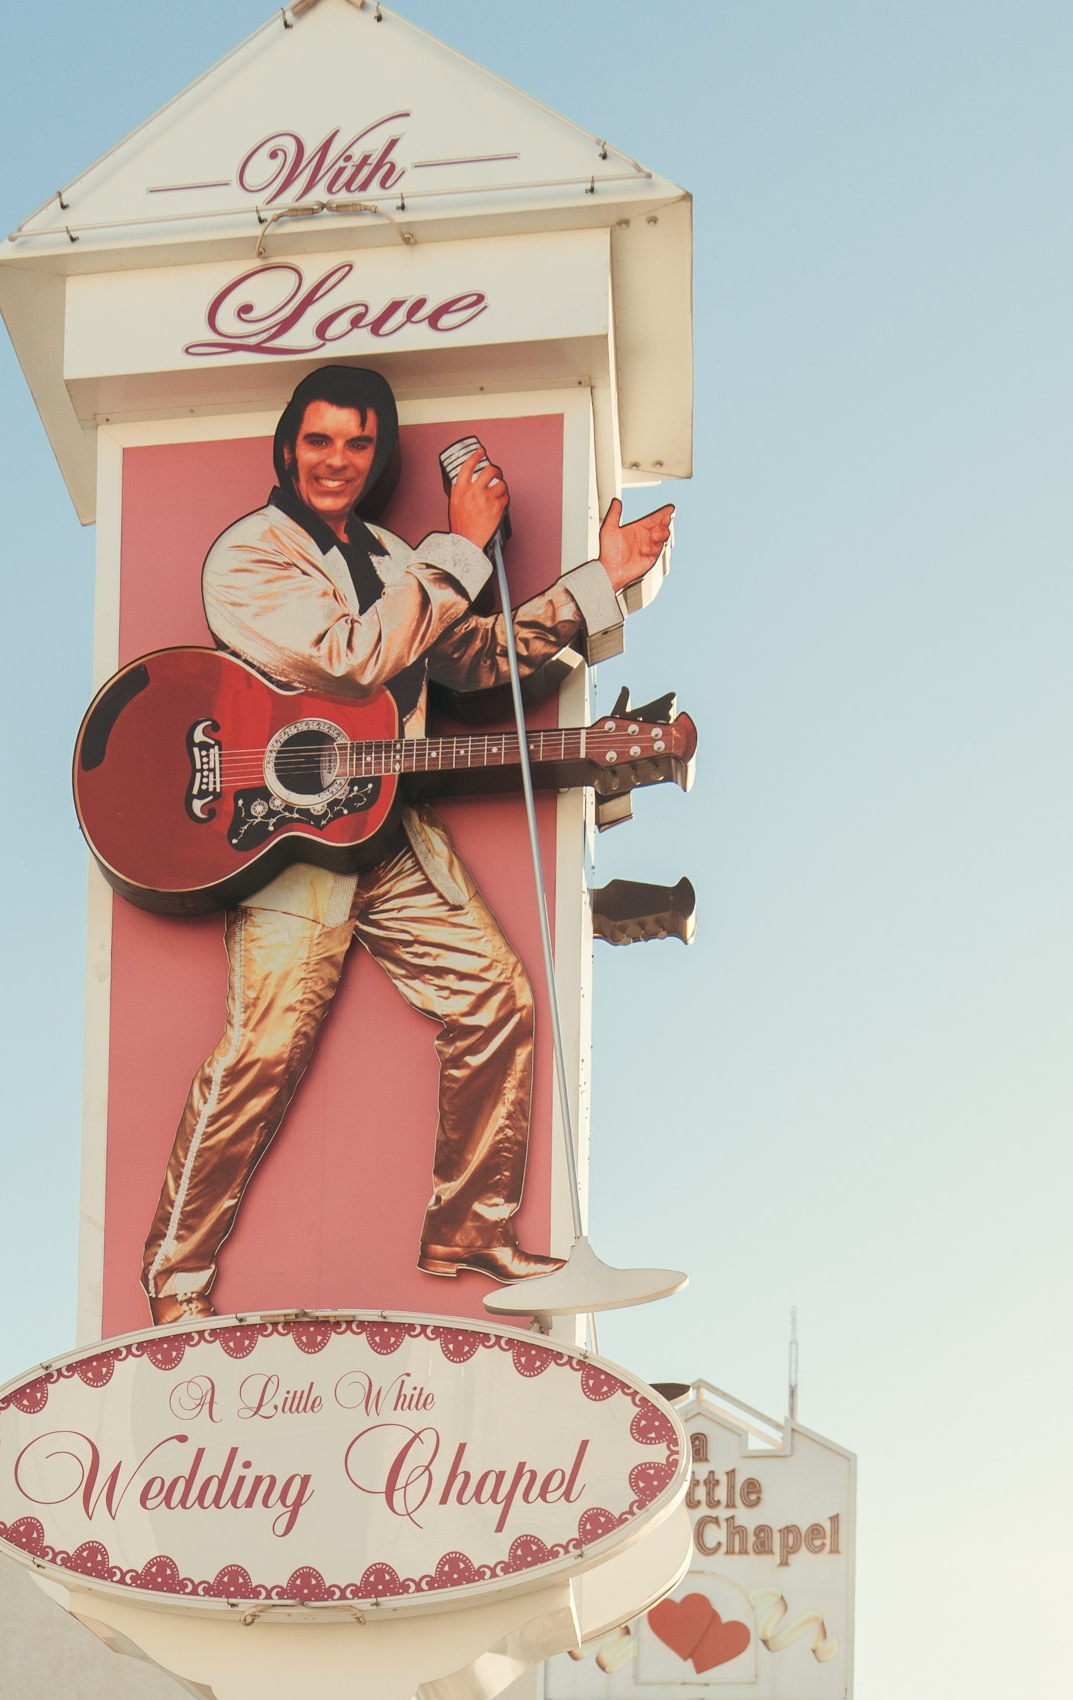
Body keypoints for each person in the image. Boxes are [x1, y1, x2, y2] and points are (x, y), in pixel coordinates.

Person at [140, 363, 676, 1323]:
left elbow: (464, 658)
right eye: (319, 441)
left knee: (498, 1002)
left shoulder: (394, 554)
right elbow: (353, 659)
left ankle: (471, 1232)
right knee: (262, 1056)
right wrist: (463, 548)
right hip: (283, 837)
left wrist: (601, 584)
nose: (338, 462)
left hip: (383, 826)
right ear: (289, 447)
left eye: (357, 443)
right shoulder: (248, 556)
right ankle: (174, 1290)